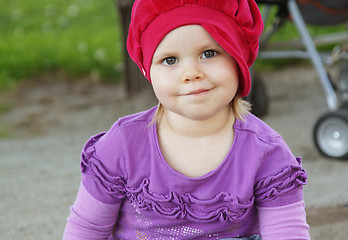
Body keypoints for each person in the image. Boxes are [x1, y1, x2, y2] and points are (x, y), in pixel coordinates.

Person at [63, 0, 310, 239]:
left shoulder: (267, 153)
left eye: (209, 53)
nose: (191, 73)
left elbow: (287, 234)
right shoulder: (124, 144)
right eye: (170, 60)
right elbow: (87, 229)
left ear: (238, 58)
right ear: (149, 71)